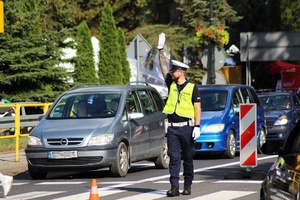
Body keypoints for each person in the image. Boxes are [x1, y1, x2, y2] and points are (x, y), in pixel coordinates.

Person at [157, 33, 201, 197]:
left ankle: (187, 185)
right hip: (173, 129)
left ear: (181, 72)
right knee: (174, 158)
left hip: (188, 128)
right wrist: (160, 50)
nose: (171, 72)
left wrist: (197, 126)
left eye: (174, 70)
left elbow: (198, 108)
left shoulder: (192, 87)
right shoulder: (171, 83)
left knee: (188, 158)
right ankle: (174, 187)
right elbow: (162, 67)